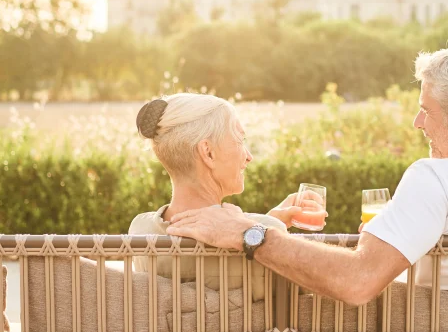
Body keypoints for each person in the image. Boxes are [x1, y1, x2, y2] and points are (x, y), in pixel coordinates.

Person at [166, 40, 448, 304]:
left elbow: (357, 281)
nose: (419, 123)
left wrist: (250, 233)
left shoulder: (436, 179)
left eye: (426, 110)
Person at [128, 92, 325, 301]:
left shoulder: (141, 231)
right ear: (208, 153)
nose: (249, 156)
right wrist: (267, 225)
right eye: (240, 140)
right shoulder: (268, 235)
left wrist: (268, 220)